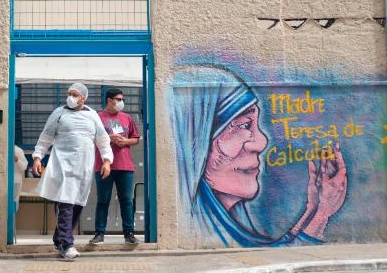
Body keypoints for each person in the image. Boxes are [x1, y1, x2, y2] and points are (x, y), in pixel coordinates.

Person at [171, 64, 347, 247]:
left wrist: (315, 209)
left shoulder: (223, 229)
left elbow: (270, 253)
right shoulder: (200, 234)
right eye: (243, 126)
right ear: (198, 142)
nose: (261, 142)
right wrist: (321, 215)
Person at [32, 83, 113, 260]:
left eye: (74, 94)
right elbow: (46, 136)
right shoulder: (59, 113)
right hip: (63, 164)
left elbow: (103, 140)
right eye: (69, 94)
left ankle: (58, 240)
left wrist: (107, 161)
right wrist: (38, 157)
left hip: (84, 166)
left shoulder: (92, 116)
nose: (70, 97)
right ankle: (68, 244)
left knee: (78, 203)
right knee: (66, 203)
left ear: (83, 97)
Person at [89, 88, 141, 245]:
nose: (121, 102)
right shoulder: (97, 117)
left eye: (122, 99)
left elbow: (136, 138)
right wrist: (108, 138)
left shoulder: (127, 117)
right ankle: (99, 233)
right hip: (104, 165)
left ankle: (129, 233)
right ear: (109, 100)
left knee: (126, 200)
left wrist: (126, 142)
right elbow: (90, 138)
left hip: (125, 165)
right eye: (118, 99)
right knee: (103, 200)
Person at [13, 145, 28, 211]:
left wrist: (17, 160)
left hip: (15, 182)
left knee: (13, 206)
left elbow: (24, 167)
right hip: (2, 183)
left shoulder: (18, 150)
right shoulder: (1, 148)